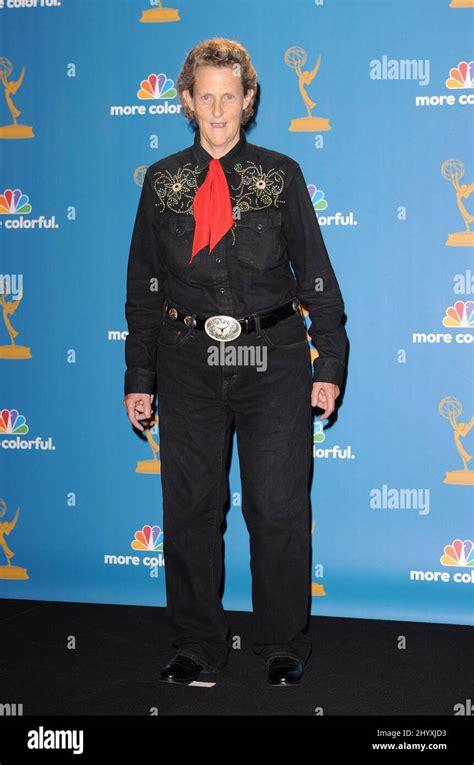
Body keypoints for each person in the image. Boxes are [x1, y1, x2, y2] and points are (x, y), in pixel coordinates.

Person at [123, 38, 348, 687]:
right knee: (191, 507)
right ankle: (197, 641)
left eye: (231, 95)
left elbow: (318, 279)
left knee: (277, 507)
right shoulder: (162, 183)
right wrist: (141, 376)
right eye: (206, 96)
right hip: (188, 359)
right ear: (188, 101)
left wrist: (328, 362)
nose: (218, 109)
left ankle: (282, 642)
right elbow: (145, 288)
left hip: (272, 358)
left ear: (248, 101)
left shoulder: (281, 176)